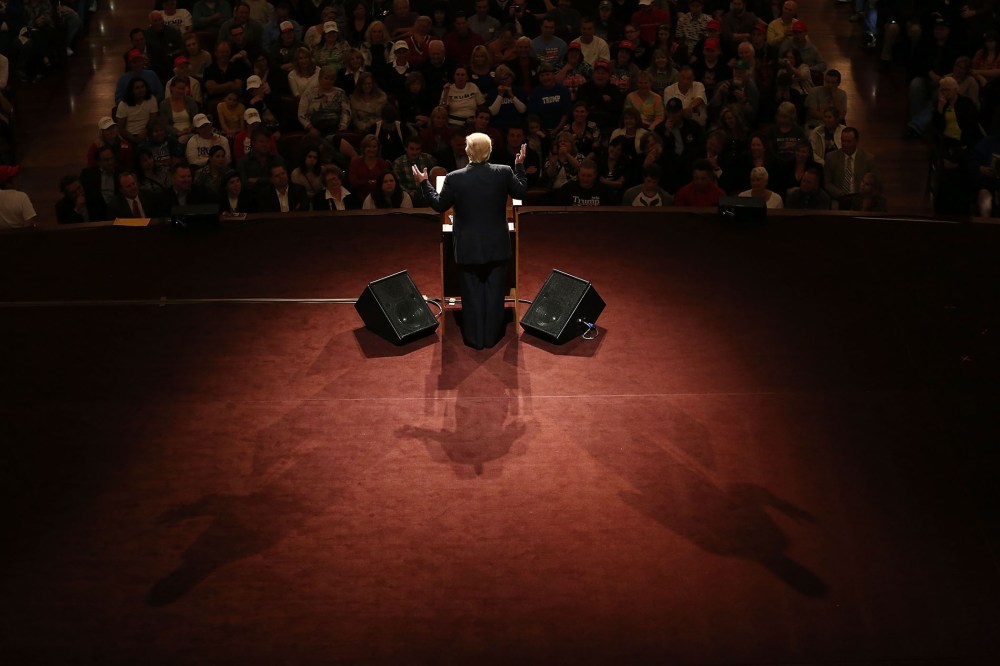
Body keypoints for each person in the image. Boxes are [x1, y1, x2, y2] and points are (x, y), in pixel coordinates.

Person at [414, 132, 528, 349]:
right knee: (495, 294)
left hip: (468, 247)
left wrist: (423, 184)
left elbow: (439, 205)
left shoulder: (454, 178)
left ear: (468, 151)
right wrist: (520, 166)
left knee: (472, 293)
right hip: (497, 246)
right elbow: (521, 189)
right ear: (489, 151)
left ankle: (475, 339)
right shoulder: (504, 172)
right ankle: (492, 338)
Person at [823, 127, 877, 204]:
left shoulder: (868, 159)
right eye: (843, 141)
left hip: (861, 199)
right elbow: (826, 182)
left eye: (849, 142)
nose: (845, 144)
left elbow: (874, 183)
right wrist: (840, 194)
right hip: (839, 199)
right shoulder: (831, 158)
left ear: (856, 141)